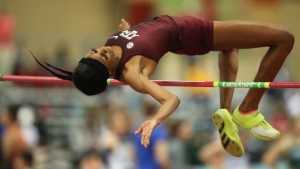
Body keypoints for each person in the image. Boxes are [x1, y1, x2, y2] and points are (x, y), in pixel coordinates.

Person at [33, 14, 295, 157]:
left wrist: (128, 29)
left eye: (95, 50)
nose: (102, 49)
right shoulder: (131, 72)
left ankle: (226, 111)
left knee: (231, 47)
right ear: (108, 71)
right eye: (102, 56)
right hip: (195, 33)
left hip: (184, 27)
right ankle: (248, 109)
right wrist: (154, 120)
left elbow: (140, 37)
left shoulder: (111, 49)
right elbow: (171, 99)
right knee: (284, 38)